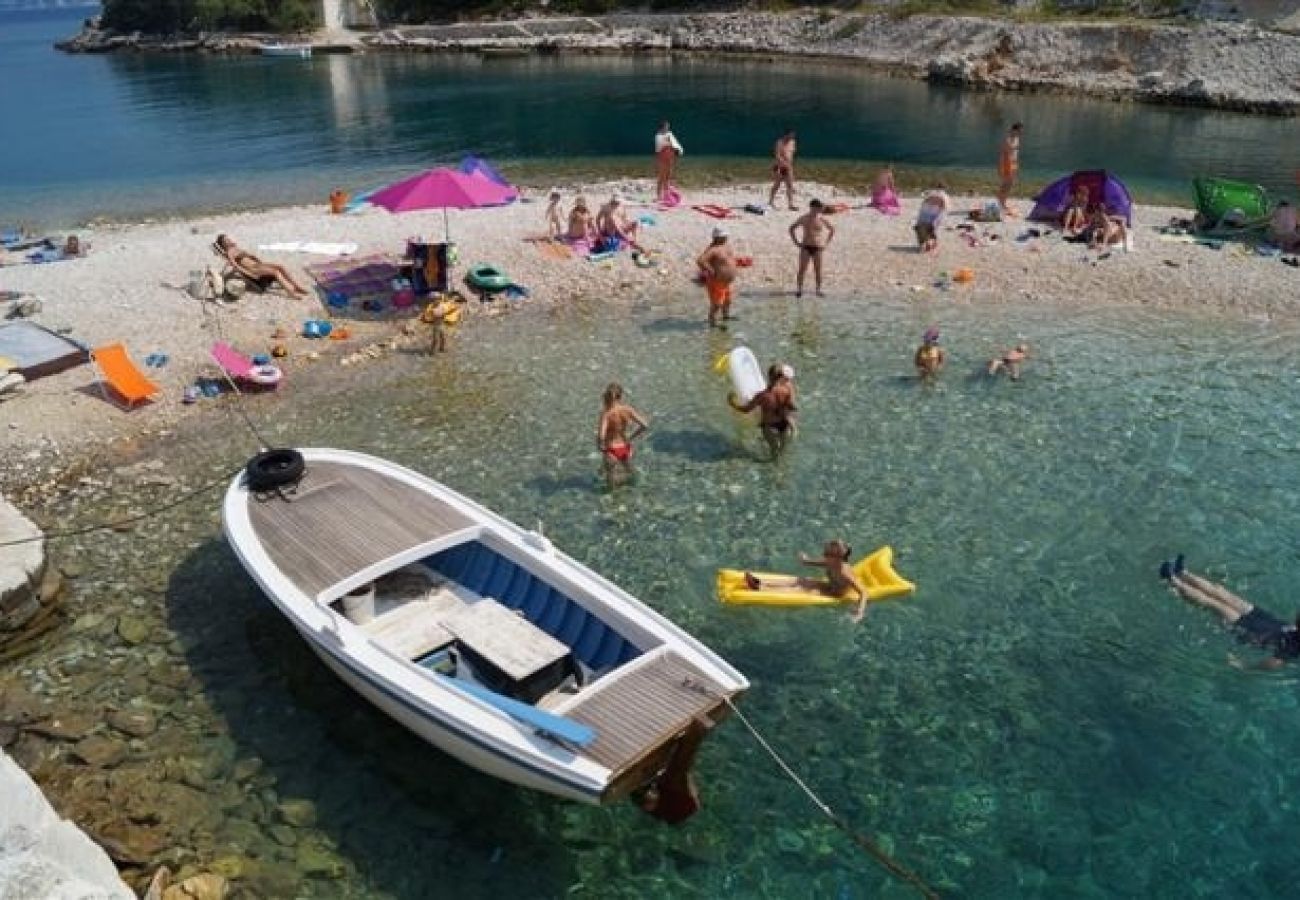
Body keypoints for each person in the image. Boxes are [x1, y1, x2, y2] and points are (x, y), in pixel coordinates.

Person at [1160, 554, 1300, 669]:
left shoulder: (1294, 648)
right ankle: (1183, 572)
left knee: (1212, 603)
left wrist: (1245, 666)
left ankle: (1172, 580)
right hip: (1266, 619)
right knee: (1221, 592)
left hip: (1253, 631)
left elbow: (1275, 662)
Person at [743, 539, 871, 623]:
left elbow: (864, 592)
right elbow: (814, 563)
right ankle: (760, 583)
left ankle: (760, 589)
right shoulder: (831, 562)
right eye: (827, 553)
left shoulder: (844, 573)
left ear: (838, 558)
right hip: (829, 586)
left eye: (828, 554)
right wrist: (805, 560)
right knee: (800, 581)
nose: (825, 555)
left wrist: (859, 612)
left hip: (835, 595)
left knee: (801, 590)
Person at [728, 363, 797, 459]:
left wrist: (732, 403)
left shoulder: (762, 396)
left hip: (769, 427)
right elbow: (792, 406)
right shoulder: (787, 389)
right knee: (782, 451)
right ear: (781, 377)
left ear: (768, 376)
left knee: (774, 452)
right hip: (785, 425)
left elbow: (746, 410)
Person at [215, 234, 309, 296]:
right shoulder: (229, 253)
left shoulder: (236, 247)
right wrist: (249, 274)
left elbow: (249, 256)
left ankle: (296, 286)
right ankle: (290, 292)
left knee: (281, 266)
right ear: (223, 244)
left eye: (228, 239)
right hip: (252, 269)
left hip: (257, 264)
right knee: (275, 272)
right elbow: (236, 266)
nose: (228, 240)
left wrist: (255, 258)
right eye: (225, 240)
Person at [596, 382, 649, 490]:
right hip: (625, 448)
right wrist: (631, 437)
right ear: (621, 396)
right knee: (631, 475)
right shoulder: (627, 410)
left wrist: (600, 445)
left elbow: (601, 435)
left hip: (611, 449)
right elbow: (645, 425)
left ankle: (613, 503)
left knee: (611, 486)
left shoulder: (606, 413)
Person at [788, 199, 835, 298]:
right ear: (812, 207)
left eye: (820, 208)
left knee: (818, 269)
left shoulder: (822, 219)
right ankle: (799, 289)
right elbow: (792, 228)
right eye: (818, 208)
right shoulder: (804, 218)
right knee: (802, 269)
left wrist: (826, 243)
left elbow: (832, 230)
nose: (820, 209)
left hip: (818, 247)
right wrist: (796, 242)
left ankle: (818, 290)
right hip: (805, 246)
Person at [697, 227, 738, 328]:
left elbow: (728, 259)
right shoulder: (713, 249)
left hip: (726, 282)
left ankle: (726, 316)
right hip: (717, 281)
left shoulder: (725, 246)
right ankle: (712, 321)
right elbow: (701, 260)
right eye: (724, 236)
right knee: (717, 303)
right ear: (717, 238)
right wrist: (711, 270)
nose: (726, 238)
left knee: (728, 301)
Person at [996, 122, 1023, 217]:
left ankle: (1003, 202)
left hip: (1013, 163)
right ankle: (999, 203)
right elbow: (1002, 153)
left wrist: (1016, 164)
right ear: (1014, 130)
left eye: (1020, 131)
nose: (1020, 133)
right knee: (1005, 184)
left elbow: (1015, 152)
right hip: (1006, 163)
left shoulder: (1017, 139)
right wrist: (1000, 166)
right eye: (1018, 131)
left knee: (1010, 184)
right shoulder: (1007, 139)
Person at [914, 184, 950, 253]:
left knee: (927, 229)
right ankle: (927, 243)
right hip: (926, 218)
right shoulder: (931, 198)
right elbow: (922, 211)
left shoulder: (942, 198)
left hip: (933, 219)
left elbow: (942, 213)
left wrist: (934, 222)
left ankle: (929, 242)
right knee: (920, 229)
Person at [768, 128, 798, 210]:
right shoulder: (779, 142)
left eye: (793, 135)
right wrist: (783, 163)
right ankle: (770, 202)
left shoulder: (793, 142)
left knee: (790, 186)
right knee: (777, 185)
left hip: (789, 166)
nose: (792, 136)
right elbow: (777, 155)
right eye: (791, 135)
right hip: (780, 167)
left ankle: (790, 204)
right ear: (786, 134)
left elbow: (791, 153)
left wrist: (789, 164)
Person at [654, 121, 684, 202]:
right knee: (661, 176)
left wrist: (679, 149)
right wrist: (669, 143)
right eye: (666, 126)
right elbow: (659, 146)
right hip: (662, 157)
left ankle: (666, 195)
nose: (667, 128)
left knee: (668, 176)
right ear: (662, 127)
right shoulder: (658, 136)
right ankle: (658, 195)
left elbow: (675, 143)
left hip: (670, 157)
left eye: (668, 126)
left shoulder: (669, 134)